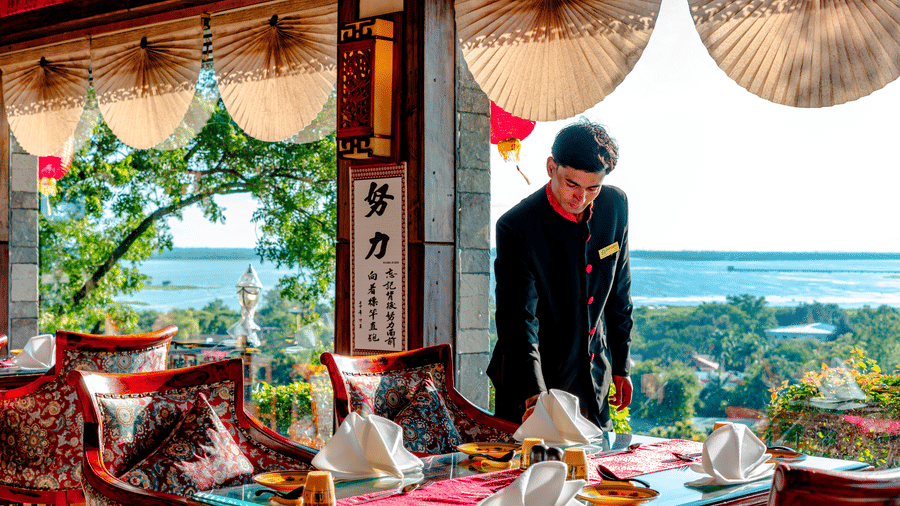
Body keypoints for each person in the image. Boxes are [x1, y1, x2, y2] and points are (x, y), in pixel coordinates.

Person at [488, 119, 634, 432]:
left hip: (592, 376)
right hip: (530, 378)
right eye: (572, 184)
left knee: (594, 470)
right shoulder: (517, 226)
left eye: (592, 188)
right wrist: (534, 394)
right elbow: (517, 319)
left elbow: (619, 291)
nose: (581, 198)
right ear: (551, 167)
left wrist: (621, 363)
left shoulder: (614, 206)